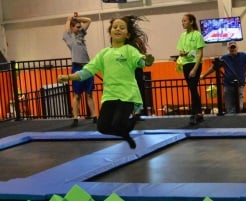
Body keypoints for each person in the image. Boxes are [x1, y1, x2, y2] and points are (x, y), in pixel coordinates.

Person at [58, 16, 154, 149]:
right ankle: (125, 134)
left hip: (127, 95)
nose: (118, 30)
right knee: (102, 127)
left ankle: (129, 123)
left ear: (128, 34)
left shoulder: (130, 50)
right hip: (110, 95)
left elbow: (141, 61)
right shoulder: (104, 54)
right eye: (115, 27)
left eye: (122, 28)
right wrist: (69, 77)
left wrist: (147, 60)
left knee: (117, 123)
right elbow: (87, 71)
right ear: (110, 32)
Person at [63, 12, 97, 127]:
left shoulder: (81, 35)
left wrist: (77, 18)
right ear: (72, 28)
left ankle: (94, 116)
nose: (80, 27)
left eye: (80, 26)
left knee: (89, 93)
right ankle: (75, 118)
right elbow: (67, 28)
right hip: (77, 67)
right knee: (77, 95)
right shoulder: (69, 37)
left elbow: (88, 20)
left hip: (87, 67)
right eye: (77, 26)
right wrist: (69, 19)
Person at [200, 41, 246, 114]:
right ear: (228, 49)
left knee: (240, 106)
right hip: (228, 85)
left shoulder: (243, 56)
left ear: (237, 48)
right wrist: (204, 75)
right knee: (229, 107)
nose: (233, 49)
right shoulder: (224, 58)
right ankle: (232, 119)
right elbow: (214, 68)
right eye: (231, 48)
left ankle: (232, 116)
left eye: (234, 47)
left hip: (240, 85)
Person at [176, 13, 205, 125]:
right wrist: (182, 53)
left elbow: (200, 53)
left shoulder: (197, 35)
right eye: (182, 21)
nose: (183, 23)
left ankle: (194, 113)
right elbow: (180, 50)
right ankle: (199, 113)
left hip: (195, 64)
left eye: (185, 21)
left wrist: (195, 69)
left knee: (193, 87)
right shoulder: (182, 36)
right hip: (185, 64)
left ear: (191, 22)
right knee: (192, 89)